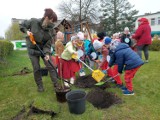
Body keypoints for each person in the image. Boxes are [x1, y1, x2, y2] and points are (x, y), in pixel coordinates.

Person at [19, 8, 58, 92]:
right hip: (33, 50)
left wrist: (47, 53)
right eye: (52, 21)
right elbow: (22, 25)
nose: (52, 24)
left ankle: (56, 84)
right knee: (36, 68)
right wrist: (27, 31)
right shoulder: (34, 22)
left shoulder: (51, 31)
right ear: (47, 18)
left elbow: (48, 44)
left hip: (43, 50)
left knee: (51, 66)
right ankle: (40, 86)